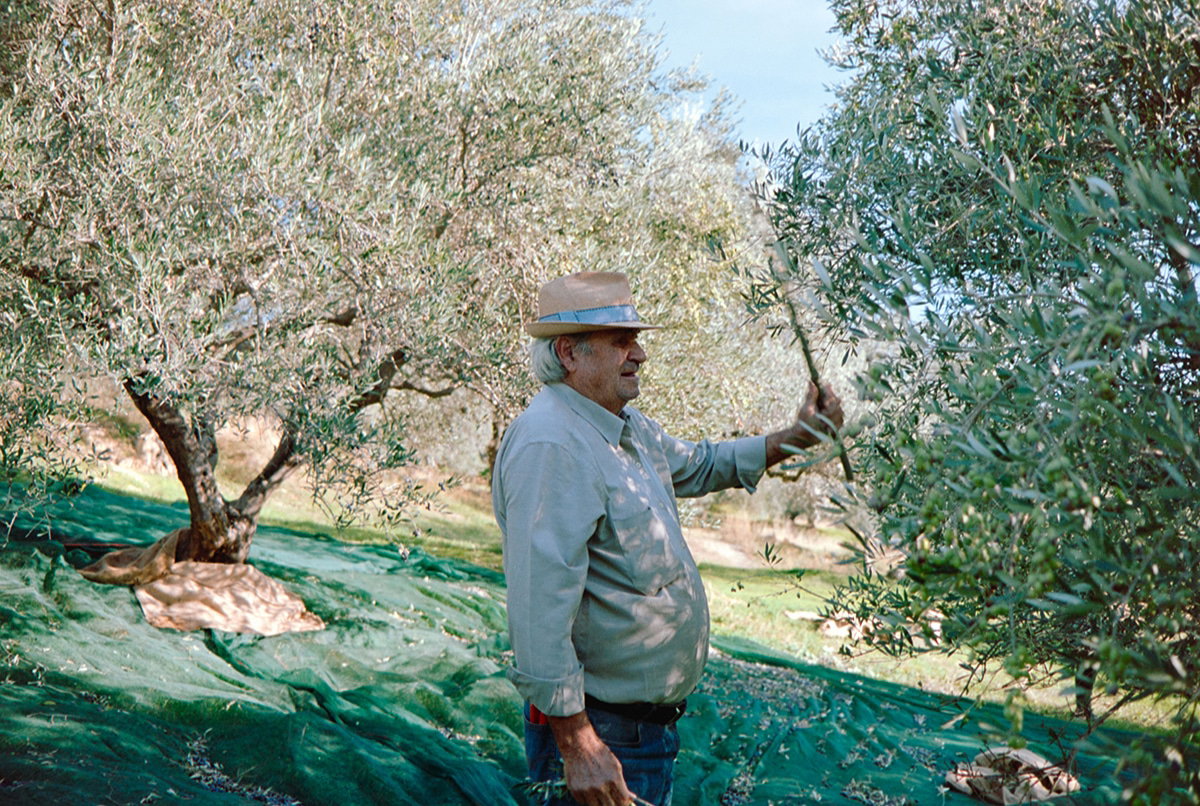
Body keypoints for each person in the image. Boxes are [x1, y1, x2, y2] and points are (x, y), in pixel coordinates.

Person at [492, 272, 843, 806]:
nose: (639, 354)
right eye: (622, 341)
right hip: (603, 735)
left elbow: (701, 465)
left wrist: (795, 439)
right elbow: (538, 616)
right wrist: (578, 745)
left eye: (634, 339)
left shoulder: (627, 429)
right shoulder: (553, 444)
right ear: (569, 352)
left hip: (640, 733)